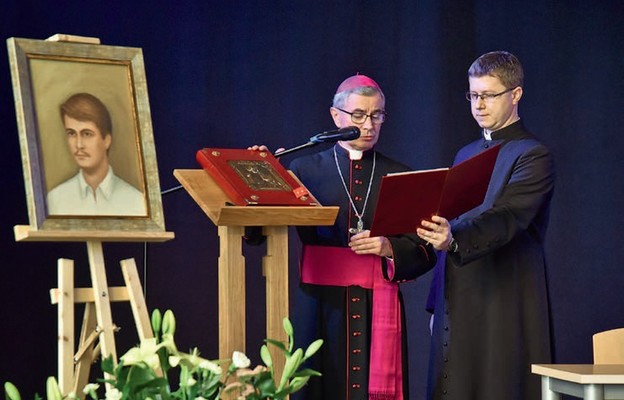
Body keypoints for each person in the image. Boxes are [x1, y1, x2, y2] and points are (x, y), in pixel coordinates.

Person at [279, 74, 436, 400]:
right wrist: (263, 173)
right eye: (359, 115)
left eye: (377, 115)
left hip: (376, 300)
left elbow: (425, 248)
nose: (369, 125)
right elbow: (260, 230)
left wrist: (389, 246)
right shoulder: (303, 168)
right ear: (337, 116)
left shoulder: (401, 174)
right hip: (317, 303)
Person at [417, 51, 555, 400]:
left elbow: (508, 216)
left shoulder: (532, 154)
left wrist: (454, 237)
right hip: (458, 300)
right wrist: (435, 303)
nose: (479, 104)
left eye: (489, 95)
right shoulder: (465, 153)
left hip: (502, 300)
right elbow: (447, 219)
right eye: (473, 95)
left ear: (516, 94)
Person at [47, 92, 146, 216]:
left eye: (87, 134)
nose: (78, 145)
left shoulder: (137, 202)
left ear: (107, 140)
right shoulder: (55, 200)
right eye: (71, 133)